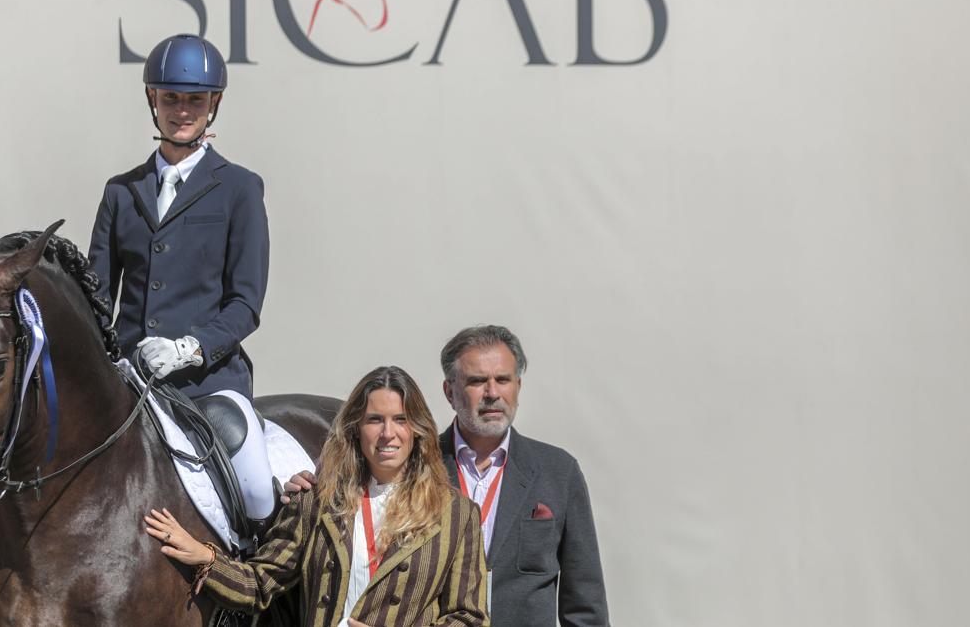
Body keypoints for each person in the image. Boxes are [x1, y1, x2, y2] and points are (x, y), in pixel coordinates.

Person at [285, 326, 611, 626]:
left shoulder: (558, 472)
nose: (492, 392)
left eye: (503, 379)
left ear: (518, 386)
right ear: (449, 392)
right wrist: (306, 491)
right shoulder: (407, 469)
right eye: (477, 381)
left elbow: (584, 604)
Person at [88, 34, 275, 525]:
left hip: (207, 381)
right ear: (152, 99)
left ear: (214, 104)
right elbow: (97, 298)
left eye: (195, 99)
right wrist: (113, 359)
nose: (182, 110)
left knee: (257, 491)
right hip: (130, 383)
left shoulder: (239, 188)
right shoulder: (121, 192)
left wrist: (187, 349)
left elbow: (245, 303)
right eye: (171, 97)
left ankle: (256, 591)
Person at [144, 366, 489, 627]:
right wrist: (204, 556)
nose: (388, 434)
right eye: (374, 420)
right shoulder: (315, 500)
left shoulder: (456, 514)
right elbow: (260, 584)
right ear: (356, 428)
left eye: (400, 419)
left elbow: (469, 617)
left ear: (417, 429)